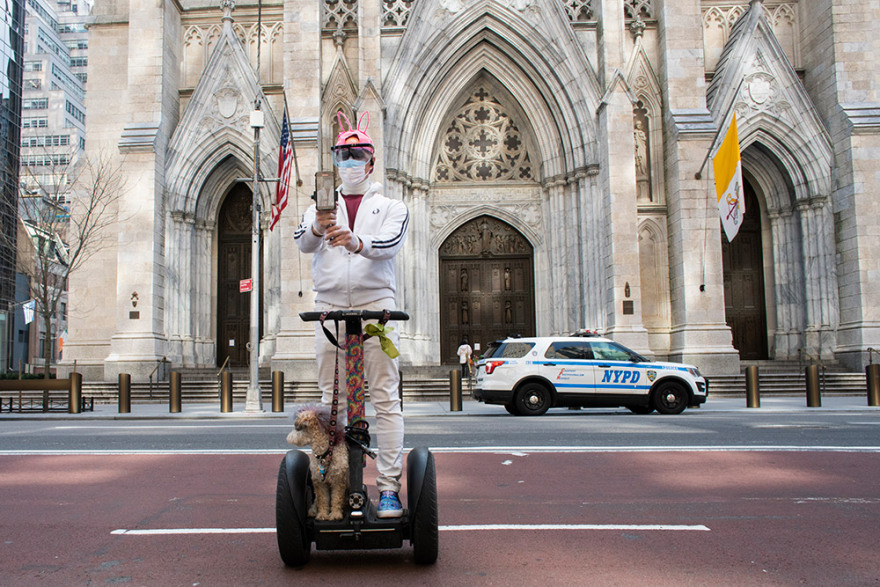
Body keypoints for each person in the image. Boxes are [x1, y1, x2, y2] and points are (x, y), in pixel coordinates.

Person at [294, 111, 409, 518]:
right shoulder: (320, 207)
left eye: (357, 155)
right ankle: (333, 488)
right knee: (332, 403)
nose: (349, 162)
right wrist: (317, 226)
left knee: (385, 399)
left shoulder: (391, 206)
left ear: (371, 162)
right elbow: (302, 242)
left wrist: (357, 242)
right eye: (342, 155)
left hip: (377, 309)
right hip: (329, 310)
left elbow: (390, 243)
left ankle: (389, 487)